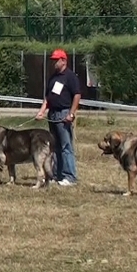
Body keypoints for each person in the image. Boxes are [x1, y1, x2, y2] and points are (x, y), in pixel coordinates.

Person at [35, 49, 81, 186]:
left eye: (56, 60)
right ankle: (57, 174)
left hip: (64, 113)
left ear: (64, 61)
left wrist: (71, 113)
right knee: (55, 146)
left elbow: (77, 95)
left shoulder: (70, 76)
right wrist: (41, 111)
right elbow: (47, 98)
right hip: (53, 114)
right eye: (53, 60)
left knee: (66, 145)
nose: (54, 62)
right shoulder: (53, 77)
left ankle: (70, 176)